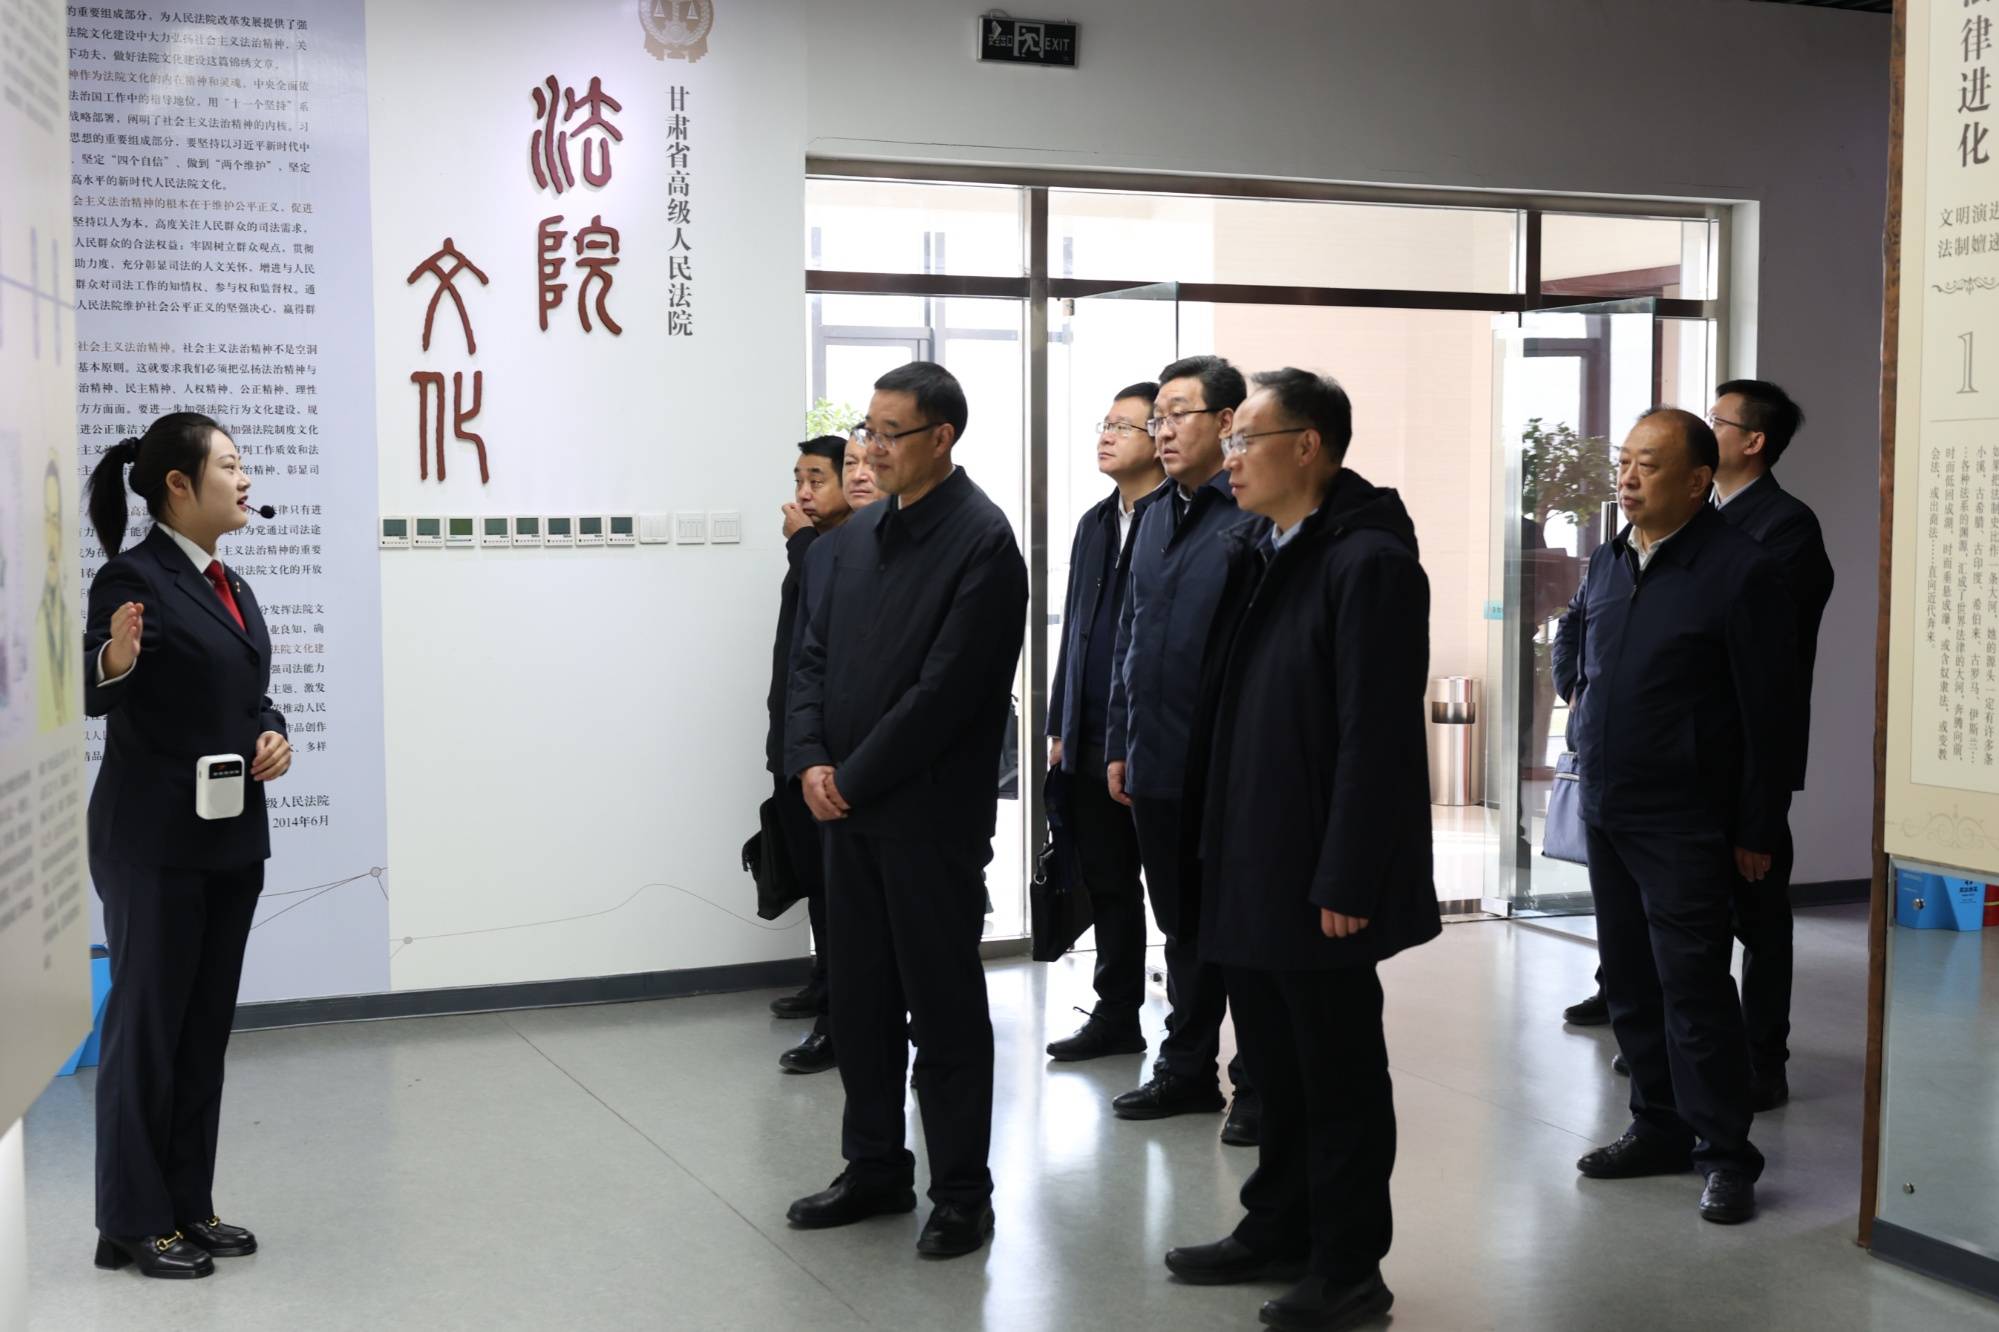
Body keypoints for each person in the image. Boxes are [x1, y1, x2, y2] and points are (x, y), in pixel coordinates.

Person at [1164, 369, 1435, 1330]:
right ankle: (1275, 1226)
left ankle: (1349, 1269)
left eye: (1246, 440)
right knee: (1272, 1065)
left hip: (1318, 868)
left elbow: (1376, 738)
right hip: (1250, 853)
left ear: (1308, 446)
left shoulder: (1367, 563)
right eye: (1229, 440)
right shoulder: (1261, 548)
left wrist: (1349, 874)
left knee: (1337, 1074)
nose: (1228, 457)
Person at [783, 362, 1027, 1259]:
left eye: (889, 434)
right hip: (845, 813)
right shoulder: (854, 539)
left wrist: (852, 775)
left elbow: (946, 692)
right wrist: (810, 759)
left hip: (927, 818)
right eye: (868, 430)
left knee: (943, 1006)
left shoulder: (983, 542)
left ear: (941, 437)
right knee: (860, 1001)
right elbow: (810, 659)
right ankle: (875, 1166)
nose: (871, 450)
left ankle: (961, 1192)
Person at [1564, 408, 1794, 1225]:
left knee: (1692, 989)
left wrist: (1757, 827)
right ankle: (1655, 1128)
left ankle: (1725, 1156)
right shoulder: (1610, 557)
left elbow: (1768, 712)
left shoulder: (1740, 569)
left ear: (1697, 481)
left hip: (1684, 816)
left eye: (1648, 465)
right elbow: (1580, 643)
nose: (1627, 478)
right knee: (1628, 983)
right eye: (1624, 461)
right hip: (1609, 804)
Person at [81, 413, 293, 1279]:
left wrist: (272, 731)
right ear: (178, 484)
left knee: (201, 1032)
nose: (244, 481)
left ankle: (186, 1206)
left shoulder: (228, 581)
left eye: (243, 467)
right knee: (148, 1032)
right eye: (229, 466)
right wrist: (116, 658)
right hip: (154, 842)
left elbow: (244, 693)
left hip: (229, 838)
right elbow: (95, 686)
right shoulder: (134, 577)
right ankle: (132, 1222)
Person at [1104, 355, 1258, 1143]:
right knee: (1184, 927)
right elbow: (1130, 634)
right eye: (1155, 418)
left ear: (1226, 422)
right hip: (1156, 759)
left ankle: (1259, 1085)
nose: (1160, 431)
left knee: (1243, 927)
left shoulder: (1253, 514)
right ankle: (1187, 1069)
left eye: (1176, 415)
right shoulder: (1155, 514)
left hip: (1229, 769)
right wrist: (1119, 739)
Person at [1707, 379, 1833, 1111]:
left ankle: (1763, 1060)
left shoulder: (1786, 526)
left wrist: (1761, 803)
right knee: (1689, 914)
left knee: (1758, 916)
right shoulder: (1694, 513)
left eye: (1717, 421)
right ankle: (1698, 1044)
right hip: (1686, 754)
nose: (1706, 431)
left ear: (1753, 441)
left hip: (1748, 755)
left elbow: (1769, 670)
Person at [1043, 381, 1166, 1061]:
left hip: (1150, 736)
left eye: (1124, 426)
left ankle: (1190, 1039)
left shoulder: (1175, 518)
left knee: (1175, 892)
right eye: (1105, 424)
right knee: (1109, 882)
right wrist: (1059, 725)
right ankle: (1117, 1015)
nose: (1107, 435)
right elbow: (1075, 634)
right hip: (1088, 735)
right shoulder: (1094, 523)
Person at [765, 435, 855, 1075]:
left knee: (839, 887)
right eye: (799, 479)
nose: (802, 493)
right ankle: (826, 984)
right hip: (798, 743)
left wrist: (801, 545)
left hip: (835, 752)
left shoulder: (838, 551)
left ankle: (841, 1015)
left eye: (817, 479)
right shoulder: (819, 547)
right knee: (813, 878)